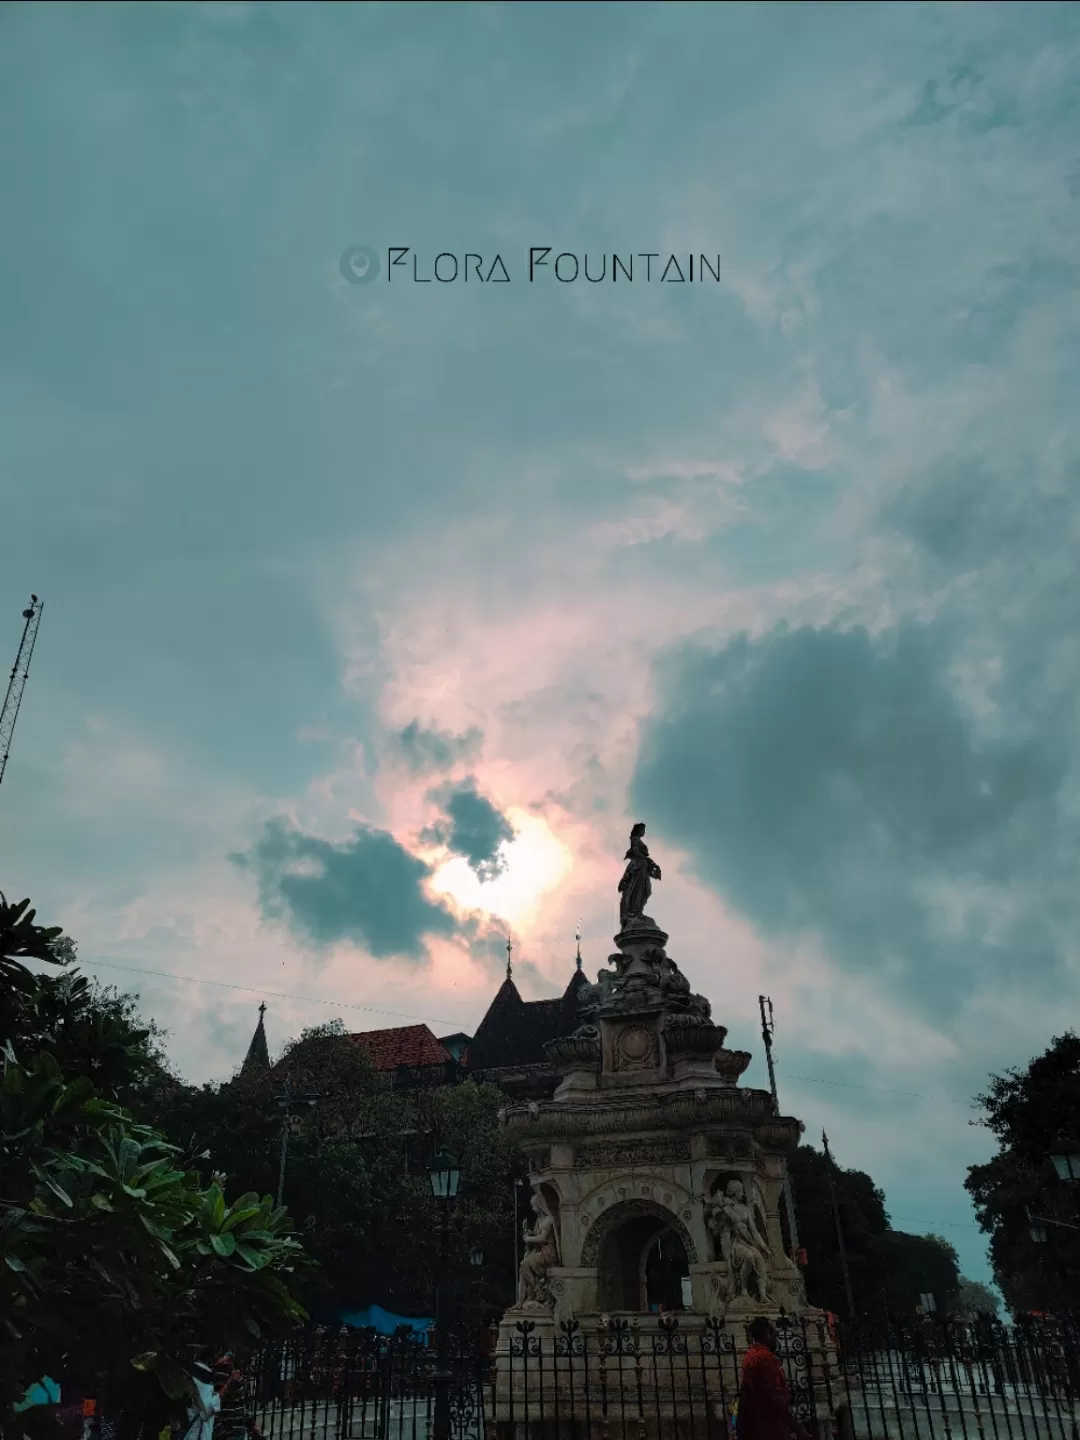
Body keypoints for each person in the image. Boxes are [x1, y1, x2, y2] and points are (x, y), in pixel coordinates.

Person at [737, 1318, 812, 1440]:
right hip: (768, 1426)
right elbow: (776, 1398)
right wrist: (797, 1428)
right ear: (768, 1334)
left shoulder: (750, 1356)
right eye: (773, 1333)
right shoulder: (764, 1358)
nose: (776, 1337)